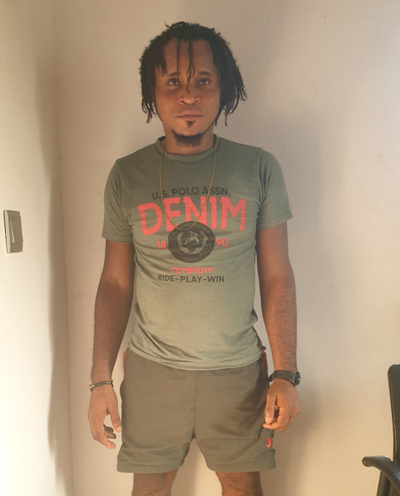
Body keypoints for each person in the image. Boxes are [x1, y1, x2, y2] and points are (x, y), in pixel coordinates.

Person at [88, 21, 301, 496]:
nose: (188, 95)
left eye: (203, 80)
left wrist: (286, 373)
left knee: (242, 487)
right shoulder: (127, 175)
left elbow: (277, 276)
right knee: (150, 489)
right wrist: (100, 381)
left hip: (237, 370)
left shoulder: (258, 168)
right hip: (151, 370)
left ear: (224, 90)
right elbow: (114, 284)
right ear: (153, 92)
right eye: (173, 82)